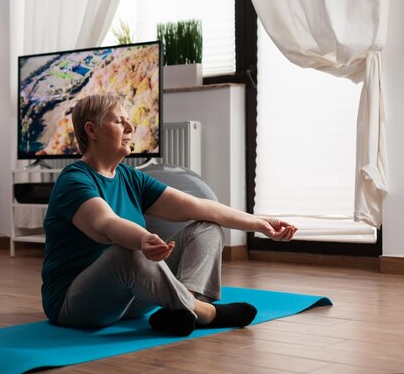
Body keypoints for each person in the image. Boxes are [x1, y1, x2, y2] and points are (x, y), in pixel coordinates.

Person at [41, 94, 296, 336]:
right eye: (119, 121)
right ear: (91, 130)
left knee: (207, 227)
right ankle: (205, 312)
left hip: (130, 301)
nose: (130, 127)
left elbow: (197, 206)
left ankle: (185, 308)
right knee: (125, 252)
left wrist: (260, 224)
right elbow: (106, 224)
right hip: (77, 304)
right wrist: (142, 239)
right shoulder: (74, 180)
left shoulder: (130, 178)